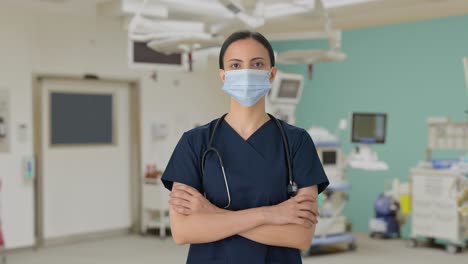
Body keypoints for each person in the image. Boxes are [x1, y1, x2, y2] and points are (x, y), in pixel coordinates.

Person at [161, 30, 329, 264]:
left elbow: (300, 236)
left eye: (257, 64)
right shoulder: (194, 142)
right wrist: (270, 214)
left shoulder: (297, 142)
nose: (246, 72)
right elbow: (183, 231)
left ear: (272, 74)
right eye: (236, 65)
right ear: (223, 75)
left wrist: (211, 215)